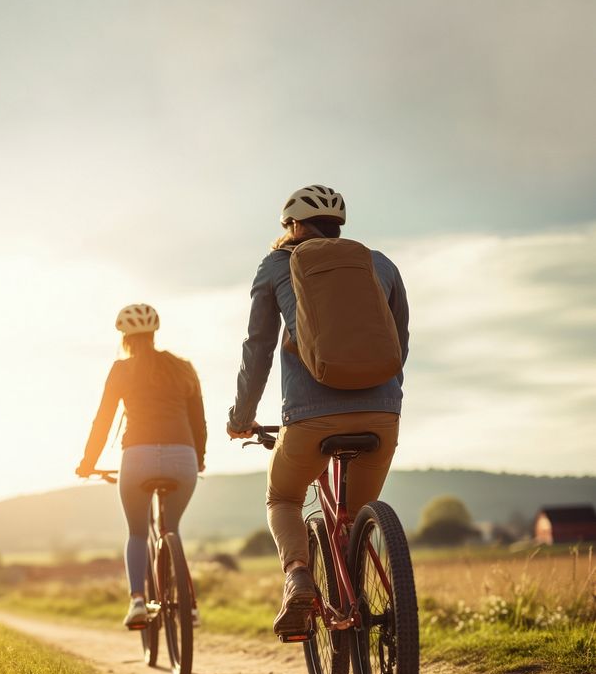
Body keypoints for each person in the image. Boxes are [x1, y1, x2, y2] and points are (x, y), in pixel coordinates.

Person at [227, 186, 409, 637]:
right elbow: (399, 343)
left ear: (291, 226)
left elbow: (258, 350)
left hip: (310, 420)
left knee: (283, 498)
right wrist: (384, 400)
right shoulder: (379, 263)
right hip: (382, 417)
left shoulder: (277, 265)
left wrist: (240, 418)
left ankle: (298, 578)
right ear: (338, 225)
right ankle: (364, 603)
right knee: (357, 514)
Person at [76, 303, 206, 628]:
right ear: (153, 334)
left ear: (124, 337)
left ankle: (137, 601)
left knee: (137, 533)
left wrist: (87, 463)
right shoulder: (183, 367)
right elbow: (198, 422)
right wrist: (198, 459)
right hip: (183, 457)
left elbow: (103, 420)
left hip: (137, 457)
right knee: (171, 529)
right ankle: (189, 607)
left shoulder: (121, 370)